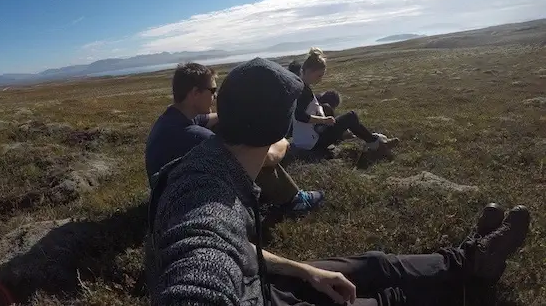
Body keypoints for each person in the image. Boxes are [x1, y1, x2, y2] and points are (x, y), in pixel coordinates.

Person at [146, 57, 531, 306]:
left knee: (373, 264)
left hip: (255, 285)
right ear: (279, 127)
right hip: (251, 293)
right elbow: (201, 262)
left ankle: (470, 260)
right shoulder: (205, 193)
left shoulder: (209, 160)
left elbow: (233, 247)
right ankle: (470, 281)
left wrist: (303, 270)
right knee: (384, 298)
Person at [145, 62, 323, 213]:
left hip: (166, 192)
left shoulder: (174, 118)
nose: (215, 96)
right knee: (251, 153)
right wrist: (280, 140)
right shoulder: (193, 135)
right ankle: (294, 199)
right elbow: (268, 158)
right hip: (180, 204)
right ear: (195, 93)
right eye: (212, 90)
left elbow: (218, 118)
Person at [292, 48, 398, 154]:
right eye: (319, 75)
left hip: (307, 140)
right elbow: (299, 115)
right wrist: (324, 120)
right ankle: (377, 145)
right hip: (312, 143)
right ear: (309, 71)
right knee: (351, 117)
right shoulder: (303, 91)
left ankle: (375, 141)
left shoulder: (300, 86)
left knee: (331, 110)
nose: (320, 80)